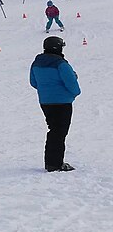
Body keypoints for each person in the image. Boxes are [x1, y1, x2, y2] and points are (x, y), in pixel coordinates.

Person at [31, 36, 80, 172]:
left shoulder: (36, 63)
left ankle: (52, 162)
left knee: (54, 130)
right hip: (62, 102)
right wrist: (74, 93)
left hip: (45, 102)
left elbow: (33, 82)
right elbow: (72, 84)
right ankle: (55, 164)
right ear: (57, 47)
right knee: (59, 132)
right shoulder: (61, 63)